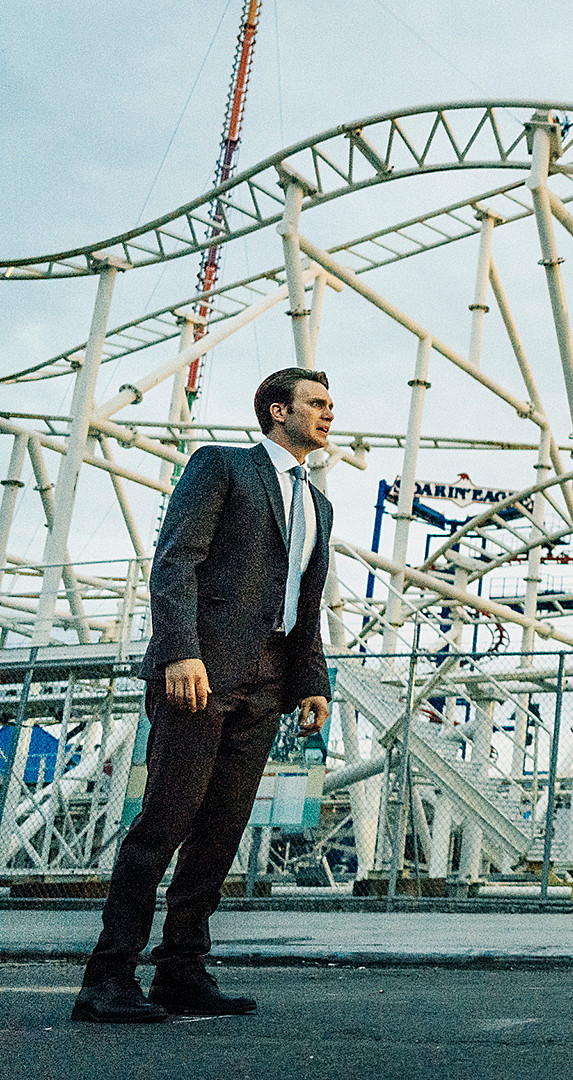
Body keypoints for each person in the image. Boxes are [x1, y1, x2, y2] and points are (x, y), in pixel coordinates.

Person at [72, 369, 335, 1023]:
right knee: (163, 824)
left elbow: (305, 601)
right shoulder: (222, 466)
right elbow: (175, 559)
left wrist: (311, 681)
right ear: (278, 411)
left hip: (267, 681)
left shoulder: (318, 504)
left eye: (331, 404)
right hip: (201, 671)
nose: (329, 413)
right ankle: (107, 978)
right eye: (316, 403)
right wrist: (179, 651)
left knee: (221, 833)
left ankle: (181, 970)